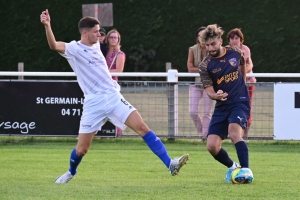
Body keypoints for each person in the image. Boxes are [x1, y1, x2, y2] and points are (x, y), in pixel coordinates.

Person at [40, 9, 189, 184]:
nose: (99, 34)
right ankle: (71, 172)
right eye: (96, 31)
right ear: (85, 33)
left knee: (142, 127)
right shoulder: (74, 48)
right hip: (93, 103)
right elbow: (54, 45)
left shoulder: (96, 45)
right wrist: (48, 25)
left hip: (112, 96)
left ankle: (170, 164)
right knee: (81, 150)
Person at [198, 24, 253, 183]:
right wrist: (216, 95)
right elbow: (209, 91)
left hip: (239, 101)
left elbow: (242, 64)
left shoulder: (235, 52)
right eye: (207, 45)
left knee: (235, 132)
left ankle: (246, 170)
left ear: (220, 40)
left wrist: (242, 82)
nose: (210, 48)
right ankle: (233, 166)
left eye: (213, 44)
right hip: (222, 105)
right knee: (212, 146)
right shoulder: (205, 66)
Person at [227, 28, 256, 140]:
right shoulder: (226, 50)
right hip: (232, 84)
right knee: (233, 108)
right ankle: (234, 135)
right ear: (229, 40)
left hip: (247, 84)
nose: (234, 40)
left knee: (246, 107)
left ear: (240, 39)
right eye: (232, 38)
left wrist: (236, 73)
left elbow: (248, 66)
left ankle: (245, 135)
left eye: (237, 38)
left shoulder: (245, 50)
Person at [187, 27, 213, 139]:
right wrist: (202, 69)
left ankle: (205, 136)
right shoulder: (192, 49)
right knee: (192, 111)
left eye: (204, 36)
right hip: (196, 84)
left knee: (207, 112)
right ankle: (201, 129)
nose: (202, 38)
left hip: (209, 84)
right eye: (200, 36)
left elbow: (213, 67)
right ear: (197, 38)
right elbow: (190, 67)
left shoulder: (212, 49)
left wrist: (200, 69)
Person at [105, 29, 126, 135]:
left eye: (115, 37)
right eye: (111, 37)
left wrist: (103, 72)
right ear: (107, 39)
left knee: (114, 108)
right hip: (101, 83)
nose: (113, 39)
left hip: (112, 84)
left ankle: (117, 132)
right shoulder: (102, 51)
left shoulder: (119, 54)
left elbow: (119, 70)